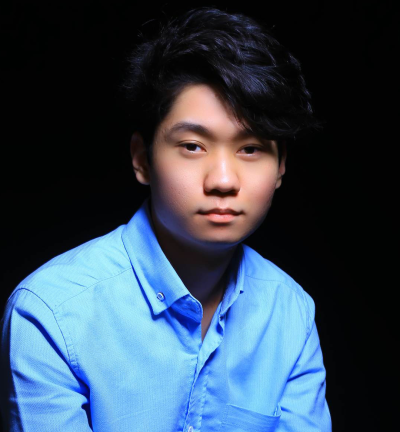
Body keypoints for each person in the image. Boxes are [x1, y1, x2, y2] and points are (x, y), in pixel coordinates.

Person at [0, 7, 331, 432]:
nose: (223, 180)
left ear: (281, 167)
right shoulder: (50, 313)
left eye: (250, 149)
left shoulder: (291, 312)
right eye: (193, 146)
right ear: (142, 159)